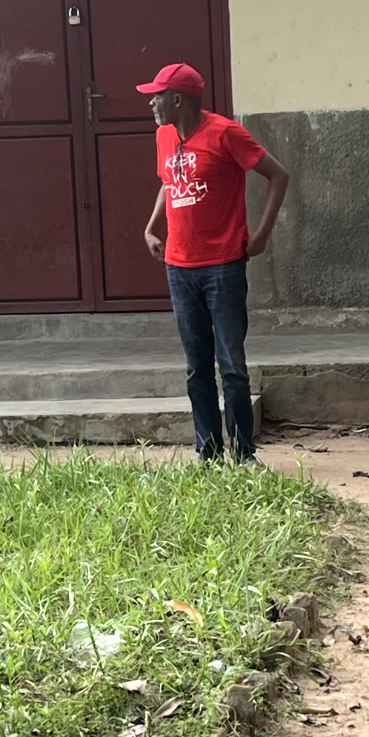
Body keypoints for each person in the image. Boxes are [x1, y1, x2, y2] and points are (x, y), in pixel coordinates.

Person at [139, 62, 290, 463]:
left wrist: (261, 234)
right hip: (178, 267)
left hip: (223, 266)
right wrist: (151, 227)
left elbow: (278, 175)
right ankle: (208, 452)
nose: (151, 103)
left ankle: (243, 455)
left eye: (157, 96)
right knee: (197, 367)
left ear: (177, 99)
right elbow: (169, 182)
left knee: (232, 366)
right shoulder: (164, 135)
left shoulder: (225, 134)